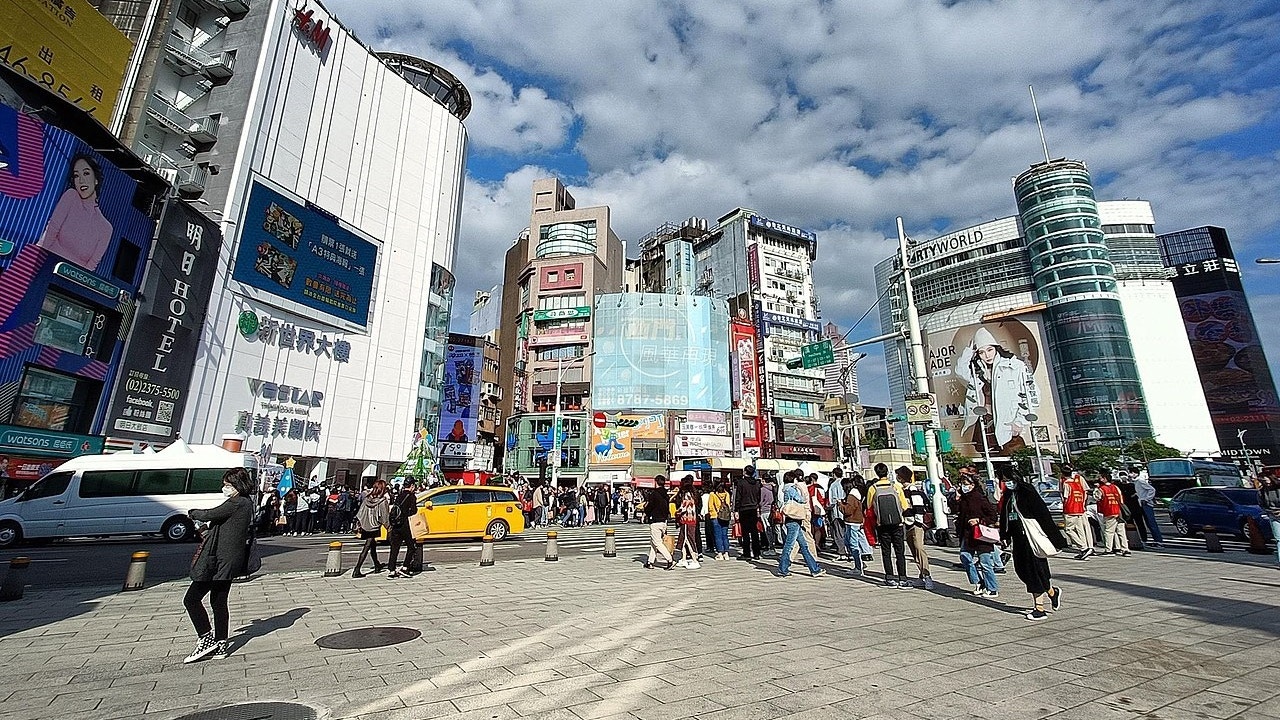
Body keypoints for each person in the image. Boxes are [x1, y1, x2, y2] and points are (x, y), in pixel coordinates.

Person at [182, 467, 255, 663]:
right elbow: (223, 522)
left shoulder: (237, 502)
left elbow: (209, 514)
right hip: (229, 560)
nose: (225, 488)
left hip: (218, 561)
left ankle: (205, 639)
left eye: (228, 485)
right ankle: (221, 643)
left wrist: (193, 512)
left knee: (191, 599)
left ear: (237, 486)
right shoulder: (247, 503)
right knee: (218, 601)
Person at [954, 327, 1039, 454]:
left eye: (989, 350)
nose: (986, 355)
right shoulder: (977, 371)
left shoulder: (1015, 366)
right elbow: (960, 371)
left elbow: (1032, 394)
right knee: (988, 456)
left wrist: (1020, 421)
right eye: (981, 352)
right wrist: (969, 350)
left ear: (996, 348)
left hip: (1008, 420)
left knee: (1011, 455)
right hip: (985, 419)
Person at [997, 467, 1066, 620]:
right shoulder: (1008, 495)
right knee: (1022, 569)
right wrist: (1004, 535)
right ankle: (1052, 592)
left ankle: (1039, 608)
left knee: (1036, 570)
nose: (1006, 483)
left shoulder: (1027, 491)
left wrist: (1056, 538)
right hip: (1018, 539)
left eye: (1008, 479)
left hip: (1031, 538)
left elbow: (1043, 515)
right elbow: (1005, 517)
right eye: (1004, 480)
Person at [37, 153, 115, 271]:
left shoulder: (106, 228)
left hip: (68, 281)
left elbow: (91, 266)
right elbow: (51, 229)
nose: (81, 180)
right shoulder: (71, 196)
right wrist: (34, 259)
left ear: (96, 180)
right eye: (76, 176)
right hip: (44, 266)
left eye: (86, 173)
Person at [954, 474, 1000, 597]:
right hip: (967, 534)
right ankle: (978, 581)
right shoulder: (963, 499)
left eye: (966, 484)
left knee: (985, 562)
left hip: (980, 535)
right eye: (962, 484)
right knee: (965, 557)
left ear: (973, 485)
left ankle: (992, 588)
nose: (963, 486)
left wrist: (979, 520)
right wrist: (956, 499)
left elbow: (993, 515)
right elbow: (956, 511)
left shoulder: (979, 498)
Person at [865, 463, 910, 588]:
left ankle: (889, 577)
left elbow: (869, 507)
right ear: (887, 472)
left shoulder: (873, 488)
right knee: (900, 552)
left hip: (882, 524)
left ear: (876, 473)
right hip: (898, 524)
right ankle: (903, 578)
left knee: (886, 552)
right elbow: (904, 506)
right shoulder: (895, 486)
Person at [776, 474, 825, 578]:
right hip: (794, 519)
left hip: (793, 519)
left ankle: (814, 569)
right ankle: (783, 568)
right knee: (789, 545)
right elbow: (802, 499)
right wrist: (801, 490)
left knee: (804, 545)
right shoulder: (791, 489)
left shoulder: (785, 488)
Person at [899, 466, 935, 590]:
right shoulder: (902, 490)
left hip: (915, 524)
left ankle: (927, 575)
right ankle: (921, 576)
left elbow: (919, 508)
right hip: (908, 524)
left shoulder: (912, 490)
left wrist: (918, 523)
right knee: (914, 551)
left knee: (919, 549)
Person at [352, 480, 390, 578]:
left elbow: (360, 513)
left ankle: (377, 564)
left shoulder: (367, 499)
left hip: (365, 524)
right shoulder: (382, 501)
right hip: (374, 526)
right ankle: (357, 569)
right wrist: (388, 527)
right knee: (367, 547)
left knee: (372, 545)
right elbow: (384, 517)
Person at [387, 479, 420, 578]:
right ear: (412, 486)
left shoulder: (399, 496)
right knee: (411, 546)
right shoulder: (411, 496)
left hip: (395, 524)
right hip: (404, 524)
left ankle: (392, 570)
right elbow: (413, 511)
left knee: (394, 547)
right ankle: (405, 567)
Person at [1059, 466, 1095, 560]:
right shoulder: (1077, 483)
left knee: (1069, 530)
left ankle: (1084, 547)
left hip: (1070, 509)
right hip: (1079, 508)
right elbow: (1084, 493)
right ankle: (1084, 551)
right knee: (1080, 530)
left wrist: (1064, 508)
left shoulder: (1066, 483)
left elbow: (1065, 497)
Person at [836, 477, 869, 576]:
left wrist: (840, 504)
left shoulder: (852, 496)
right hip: (853, 522)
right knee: (847, 541)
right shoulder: (855, 495)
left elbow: (848, 511)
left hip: (853, 522)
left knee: (853, 544)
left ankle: (858, 567)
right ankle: (859, 563)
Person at [1096, 469, 1131, 557]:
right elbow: (1121, 499)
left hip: (1109, 511)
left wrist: (1096, 489)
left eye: (1101, 477)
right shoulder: (1116, 487)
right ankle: (1125, 549)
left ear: (1104, 479)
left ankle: (1109, 550)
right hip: (1119, 511)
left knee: (1109, 531)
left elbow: (1098, 498)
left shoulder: (1102, 489)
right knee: (1121, 531)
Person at [734, 466, 765, 561]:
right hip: (753, 508)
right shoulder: (757, 483)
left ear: (745, 472)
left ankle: (746, 553)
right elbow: (759, 496)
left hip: (744, 508)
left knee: (745, 532)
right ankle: (756, 553)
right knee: (754, 531)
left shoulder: (741, 483)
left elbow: (738, 497)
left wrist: (736, 510)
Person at [643, 475, 675, 570]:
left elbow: (650, 507)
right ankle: (650, 561)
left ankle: (670, 560)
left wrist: (646, 510)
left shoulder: (654, 494)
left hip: (655, 520)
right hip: (663, 521)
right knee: (654, 542)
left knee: (657, 542)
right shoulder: (665, 494)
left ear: (656, 482)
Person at [1132, 468, 1164, 547]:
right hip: (1140, 503)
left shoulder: (1140, 481)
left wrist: (1146, 499)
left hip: (1146, 504)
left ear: (1136, 473)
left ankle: (1158, 540)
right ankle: (1145, 540)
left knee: (1151, 522)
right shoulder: (1135, 482)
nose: (1130, 474)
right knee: (1143, 523)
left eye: (1131, 472)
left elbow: (1152, 489)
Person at [674, 476, 701, 568]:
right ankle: (683, 559)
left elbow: (684, 507)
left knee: (688, 539)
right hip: (691, 519)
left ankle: (694, 560)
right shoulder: (694, 494)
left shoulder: (687, 494)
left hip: (687, 519)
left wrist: (676, 512)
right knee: (684, 539)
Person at [826, 467, 847, 558]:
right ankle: (849, 549)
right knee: (847, 531)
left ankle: (842, 551)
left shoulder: (833, 485)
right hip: (847, 510)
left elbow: (832, 501)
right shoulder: (846, 482)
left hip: (837, 511)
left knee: (838, 531)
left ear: (834, 474)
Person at [708, 480, 733, 560]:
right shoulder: (727, 494)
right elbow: (728, 505)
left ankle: (720, 553)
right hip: (725, 516)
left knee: (718, 535)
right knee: (724, 535)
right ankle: (726, 553)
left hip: (716, 516)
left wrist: (713, 514)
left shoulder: (713, 494)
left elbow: (710, 506)